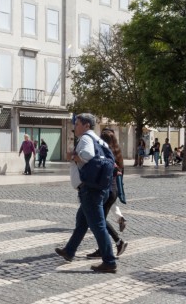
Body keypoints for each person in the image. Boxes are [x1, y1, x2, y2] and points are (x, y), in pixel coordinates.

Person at [54, 113, 117, 273]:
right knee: (82, 222)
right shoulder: (100, 140)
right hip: (100, 188)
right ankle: (69, 251)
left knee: (98, 226)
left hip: (89, 190)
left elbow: (87, 155)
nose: (75, 126)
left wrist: (73, 156)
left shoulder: (86, 139)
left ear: (86, 126)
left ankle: (109, 261)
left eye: (77, 123)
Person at [96, 127, 128, 258]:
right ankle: (102, 248)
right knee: (98, 221)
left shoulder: (105, 154)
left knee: (99, 221)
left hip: (106, 190)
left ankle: (118, 242)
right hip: (113, 190)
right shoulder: (117, 153)